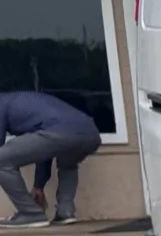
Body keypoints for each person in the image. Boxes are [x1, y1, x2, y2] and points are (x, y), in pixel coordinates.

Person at [0, 90, 102, 227]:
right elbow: (44, 150)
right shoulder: (24, 100)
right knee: (68, 164)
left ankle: (30, 214)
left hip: (60, 132)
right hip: (90, 134)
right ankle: (65, 212)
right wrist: (38, 185)